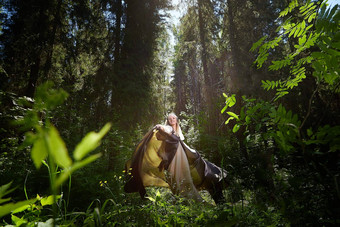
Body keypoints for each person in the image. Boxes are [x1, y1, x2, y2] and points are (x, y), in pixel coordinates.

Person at [124, 113, 227, 204]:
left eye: (173, 118)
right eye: (169, 119)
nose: (171, 120)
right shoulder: (168, 129)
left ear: (177, 120)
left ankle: (220, 200)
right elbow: (166, 130)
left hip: (190, 159)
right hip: (178, 163)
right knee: (182, 186)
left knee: (209, 175)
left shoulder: (177, 135)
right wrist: (161, 127)